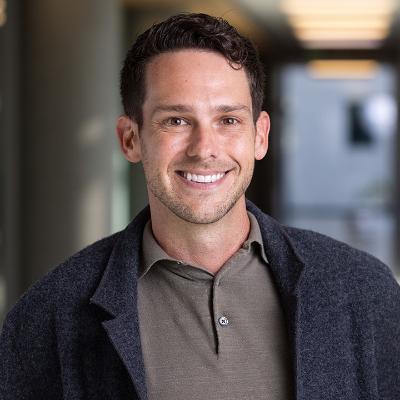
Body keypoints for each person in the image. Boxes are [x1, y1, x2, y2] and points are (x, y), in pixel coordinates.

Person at [1, 12, 399, 400]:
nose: (204, 149)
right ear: (130, 139)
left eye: (228, 120)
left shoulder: (363, 292)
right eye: (176, 121)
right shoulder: (48, 318)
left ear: (260, 136)